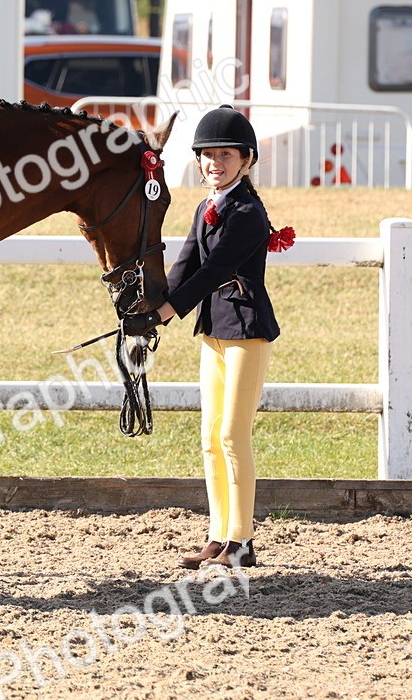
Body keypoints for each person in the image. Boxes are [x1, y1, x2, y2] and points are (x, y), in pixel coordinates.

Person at [121, 105, 293, 569]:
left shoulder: (247, 213)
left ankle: (243, 540)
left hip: (246, 332)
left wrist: (164, 314)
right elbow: (186, 265)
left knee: (234, 435)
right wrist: (146, 306)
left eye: (225, 155)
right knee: (209, 437)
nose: (214, 163)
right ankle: (219, 536)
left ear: (246, 160)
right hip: (213, 331)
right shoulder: (205, 208)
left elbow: (217, 270)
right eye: (207, 155)